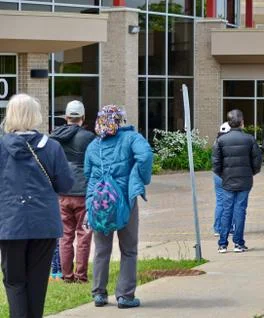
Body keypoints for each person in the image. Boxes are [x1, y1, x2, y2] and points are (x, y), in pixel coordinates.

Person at [0, 94, 74, 318]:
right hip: (44, 223)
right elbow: (66, 184)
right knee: (37, 283)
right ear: (35, 116)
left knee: (14, 282)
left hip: (10, 223)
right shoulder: (51, 147)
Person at [85, 105, 153, 308]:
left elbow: (88, 175)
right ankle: (125, 296)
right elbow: (146, 156)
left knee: (101, 250)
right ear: (120, 120)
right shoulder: (132, 138)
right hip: (125, 200)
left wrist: (90, 202)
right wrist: (138, 178)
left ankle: (99, 293)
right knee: (129, 249)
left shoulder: (93, 146)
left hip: (101, 202)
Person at [50, 100, 96, 284]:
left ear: (66, 117)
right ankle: (81, 275)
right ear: (83, 118)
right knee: (83, 234)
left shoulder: (55, 137)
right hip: (83, 192)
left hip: (62, 192)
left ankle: (66, 275)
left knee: (65, 235)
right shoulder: (89, 137)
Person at [213, 109, 262, 253]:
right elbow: (257, 160)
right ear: (241, 122)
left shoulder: (220, 140)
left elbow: (215, 163)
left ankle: (222, 243)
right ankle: (238, 243)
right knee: (240, 210)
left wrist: (223, 174)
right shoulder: (249, 139)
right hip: (245, 179)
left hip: (228, 179)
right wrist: (251, 172)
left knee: (227, 209)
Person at [213, 122, 231, 236]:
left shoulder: (216, 142)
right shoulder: (229, 142)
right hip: (228, 174)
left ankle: (217, 228)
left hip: (217, 174)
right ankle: (230, 227)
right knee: (230, 202)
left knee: (220, 202)